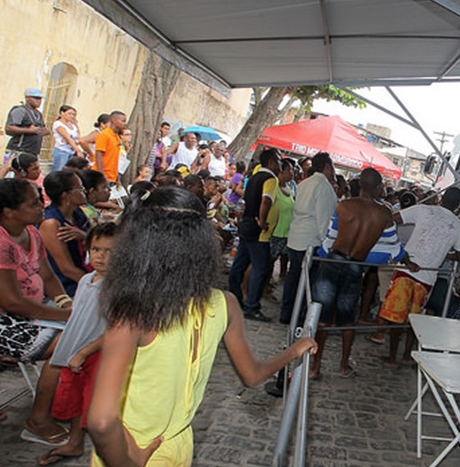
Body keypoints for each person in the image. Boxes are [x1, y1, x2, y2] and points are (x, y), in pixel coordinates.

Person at [86, 186, 317, 467]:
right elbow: (253, 375)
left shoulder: (134, 312)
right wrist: (292, 352)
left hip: (130, 450)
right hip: (178, 446)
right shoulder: (226, 304)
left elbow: (100, 421)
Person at [309, 168, 417, 379]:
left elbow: (329, 239)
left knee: (322, 318)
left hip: (332, 262)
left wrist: (321, 256)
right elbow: (395, 247)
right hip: (355, 266)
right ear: (377, 187)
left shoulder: (344, 205)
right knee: (348, 319)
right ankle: (343, 365)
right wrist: (409, 263)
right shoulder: (384, 213)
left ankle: (315, 367)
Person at [0, 178, 71, 446]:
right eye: (33, 203)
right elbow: (12, 302)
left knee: (85, 329)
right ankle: (38, 419)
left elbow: (48, 276)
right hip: (6, 320)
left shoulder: (33, 233)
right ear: (9, 211)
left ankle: (68, 404)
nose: (41, 206)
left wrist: (65, 302)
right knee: (67, 341)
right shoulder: (2, 243)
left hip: (28, 313)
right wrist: (65, 317)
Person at [40, 222, 117, 466]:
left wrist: (84, 352)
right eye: (96, 249)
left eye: (110, 252)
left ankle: (112, 454)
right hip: (76, 353)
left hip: (97, 354)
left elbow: (117, 330)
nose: (101, 257)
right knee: (76, 401)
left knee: (95, 405)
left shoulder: (117, 287)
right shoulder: (86, 280)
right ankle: (74, 443)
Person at [370, 187, 460, 366]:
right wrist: (447, 254)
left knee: (396, 317)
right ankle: (407, 354)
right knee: (414, 320)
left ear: (441, 198)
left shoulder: (423, 210)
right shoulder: (459, 227)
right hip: (428, 276)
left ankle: (392, 357)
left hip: (406, 269)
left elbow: (395, 218)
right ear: (458, 205)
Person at [280, 152, 337, 325]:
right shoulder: (323, 186)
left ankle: (286, 313)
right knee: (307, 283)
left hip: (296, 237)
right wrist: (325, 242)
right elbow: (324, 218)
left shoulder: (305, 183)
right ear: (327, 167)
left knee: (293, 277)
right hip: (311, 241)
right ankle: (299, 318)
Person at [228, 149, 280, 321]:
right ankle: (251, 307)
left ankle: (235, 297)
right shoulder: (270, 179)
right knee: (260, 267)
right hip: (258, 229)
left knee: (240, 264)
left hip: (246, 224)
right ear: (271, 162)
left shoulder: (254, 177)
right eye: (278, 160)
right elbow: (266, 200)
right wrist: (263, 221)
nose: (280, 164)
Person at [39, 171, 92, 298]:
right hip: (67, 286)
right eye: (79, 189)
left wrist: (85, 237)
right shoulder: (51, 223)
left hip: (85, 273)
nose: (84, 191)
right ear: (65, 196)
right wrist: (93, 287)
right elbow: (67, 269)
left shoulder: (77, 213)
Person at [5, 88, 48, 160]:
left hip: (32, 152)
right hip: (18, 150)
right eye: (36, 98)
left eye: (40, 99)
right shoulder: (20, 110)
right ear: (27, 98)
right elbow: (9, 127)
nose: (39, 101)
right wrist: (29, 131)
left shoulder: (38, 114)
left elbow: (40, 129)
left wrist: (44, 131)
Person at [94, 111, 127, 187]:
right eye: (123, 121)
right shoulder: (104, 135)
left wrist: (117, 178)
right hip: (103, 176)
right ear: (114, 120)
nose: (125, 123)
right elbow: (98, 155)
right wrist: (101, 174)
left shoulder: (116, 137)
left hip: (112, 177)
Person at [51, 105, 84, 172]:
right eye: (69, 114)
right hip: (62, 150)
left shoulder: (72, 125)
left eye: (73, 114)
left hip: (71, 151)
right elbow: (67, 138)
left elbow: (78, 136)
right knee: (58, 170)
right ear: (62, 113)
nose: (71, 116)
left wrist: (76, 124)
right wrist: (78, 150)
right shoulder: (58, 124)